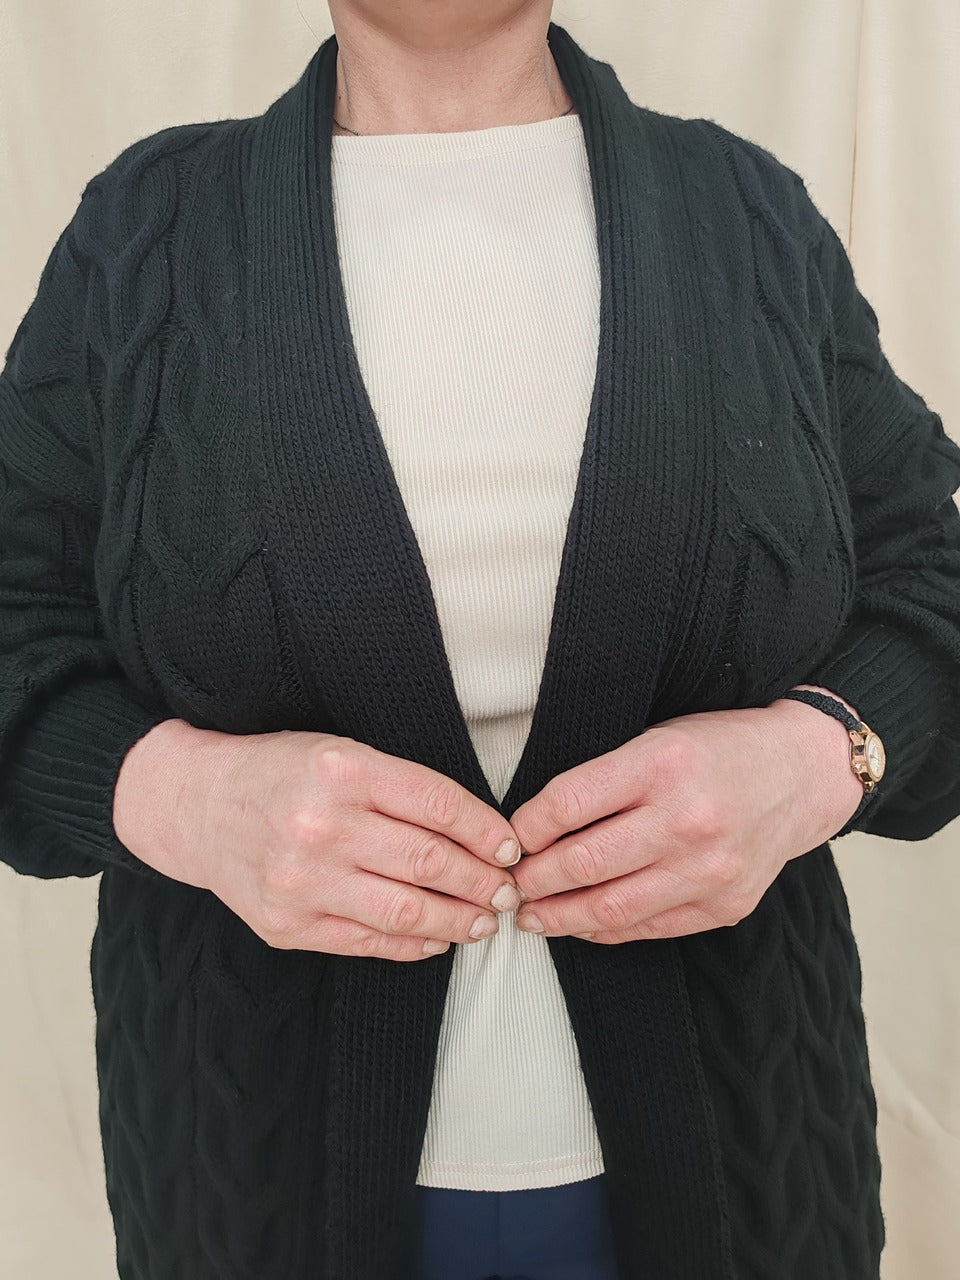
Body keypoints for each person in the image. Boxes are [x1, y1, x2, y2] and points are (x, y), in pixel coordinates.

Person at [2, 3, 960, 1278]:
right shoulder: (145, 233)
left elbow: (930, 573)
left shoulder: (747, 212)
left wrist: (822, 753)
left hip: (745, 1169)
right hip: (249, 1182)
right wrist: (172, 795)